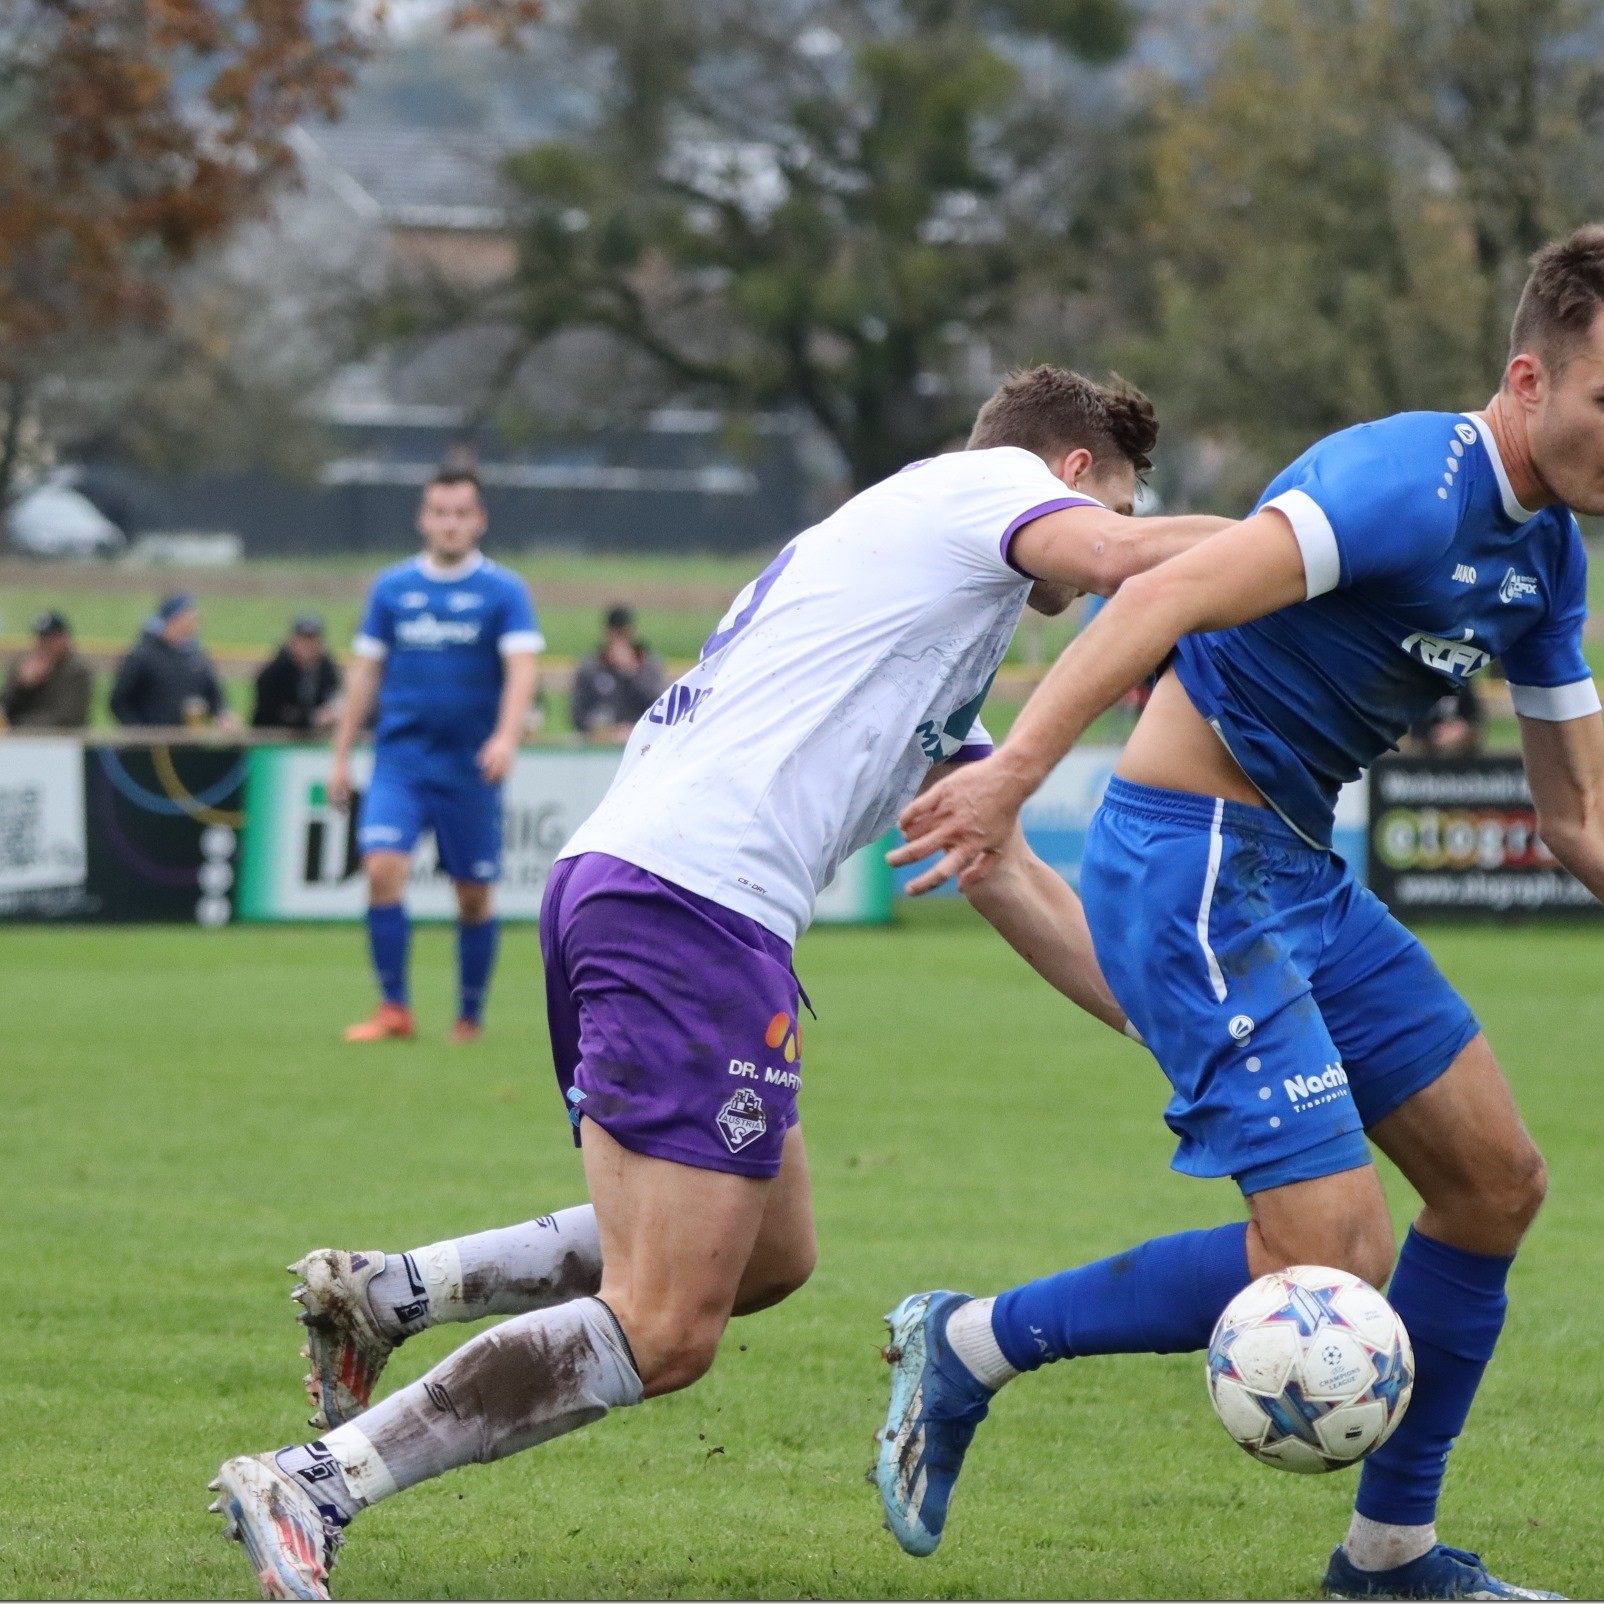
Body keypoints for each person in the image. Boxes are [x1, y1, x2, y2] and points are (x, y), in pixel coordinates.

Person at [208, 366, 1238, 1600]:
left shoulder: (920, 615)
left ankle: (397, 1288)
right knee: (665, 1322)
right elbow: (1124, 560)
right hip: (686, 902)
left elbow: (1001, 868)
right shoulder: (990, 485)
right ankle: (313, 1481)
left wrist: (1175, 1029)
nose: (1122, 529)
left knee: (768, 1255)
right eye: (1128, 501)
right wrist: (1307, 543)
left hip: (652, 888)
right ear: (1075, 469)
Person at [877, 229, 1604, 1600]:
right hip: (1189, 861)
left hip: (1301, 874)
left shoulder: (1548, 560)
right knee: (1332, 1250)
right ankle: (968, 1343)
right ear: (1530, 379)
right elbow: (1154, 592)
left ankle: (1388, 1559)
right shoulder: (1400, 480)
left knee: (1496, 1183)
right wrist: (1008, 784)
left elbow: (1579, 819)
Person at [328, 469, 542, 1046]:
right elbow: (366, 670)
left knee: (473, 895)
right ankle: (394, 1008)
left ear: (479, 521)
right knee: (381, 868)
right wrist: (341, 753)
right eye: (440, 513)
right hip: (401, 761)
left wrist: (506, 736)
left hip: (470, 769)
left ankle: (468, 1017)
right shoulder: (391, 588)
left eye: (461, 513)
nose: (450, 524)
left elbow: (523, 668)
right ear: (424, 519)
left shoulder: (504, 592)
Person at [108, 592, 239, 730]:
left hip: (190, 740)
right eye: (189, 615)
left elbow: (215, 696)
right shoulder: (143, 655)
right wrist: (139, 733)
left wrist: (224, 715)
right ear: (174, 618)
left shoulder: (197, 655)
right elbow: (119, 701)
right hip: (149, 742)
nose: (195, 621)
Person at [569, 605, 665, 742]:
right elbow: (577, 715)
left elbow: (659, 706)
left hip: (640, 739)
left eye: (624, 635)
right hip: (600, 742)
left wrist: (631, 672)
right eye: (616, 635)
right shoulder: (592, 667)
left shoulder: (648, 666)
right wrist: (605, 730)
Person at [0, 611, 93, 730]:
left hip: (61, 742)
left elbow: (67, 719)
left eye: (50, 640)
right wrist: (23, 685)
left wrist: (16, 725)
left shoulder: (76, 671)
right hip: (19, 737)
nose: (44, 645)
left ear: (64, 638)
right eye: (41, 639)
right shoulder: (23, 664)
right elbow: (5, 706)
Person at [252, 615, 342, 736]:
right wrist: (312, 719)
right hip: (272, 740)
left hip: (315, 740)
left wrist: (332, 712)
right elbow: (273, 712)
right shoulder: (275, 671)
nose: (309, 646)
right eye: (304, 640)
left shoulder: (326, 667)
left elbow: (332, 694)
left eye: (313, 639)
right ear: (293, 641)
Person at [1409, 678, 1484, 758]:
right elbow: (1417, 729)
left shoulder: (1463, 685)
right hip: (1430, 748)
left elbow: (1473, 719)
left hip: (1461, 747)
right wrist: (1437, 733)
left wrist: (1461, 728)